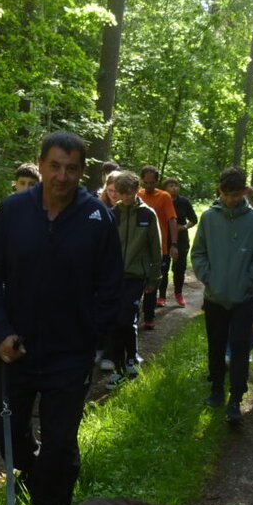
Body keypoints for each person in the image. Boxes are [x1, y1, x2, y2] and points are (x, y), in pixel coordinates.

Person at [0, 130, 122, 505]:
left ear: (81, 172)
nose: (62, 176)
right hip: (16, 349)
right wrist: (1, 331)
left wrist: (91, 337)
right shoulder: (12, 211)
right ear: (40, 164)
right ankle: (32, 470)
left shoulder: (98, 218)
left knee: (60, 441)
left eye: (71, 169)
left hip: (69, 355)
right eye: (54, 166)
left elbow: (111, 287)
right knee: (5, 433)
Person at [191, 168, 253, 425]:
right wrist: (209, 277)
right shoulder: (209, 217)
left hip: (244, 299)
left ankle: (235, 397)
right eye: (226, 195)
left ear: (244, 192)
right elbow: (199, 252)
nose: (231, 200)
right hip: (214, 297)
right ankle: (216, 389)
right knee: (215, 346)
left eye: (236, 195)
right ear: (220, 191)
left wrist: (249, 281)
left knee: (239, 348)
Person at [103, 170, 161, 388]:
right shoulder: (112, 213)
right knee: (115, 321)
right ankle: (118, 367)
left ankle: (131, 359)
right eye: (121, 193)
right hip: (114, 277)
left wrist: (155, 276)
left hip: (136, 276)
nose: (125, 198)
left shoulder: (148, 215)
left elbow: (155, 247)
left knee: (127, 319)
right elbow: (104, 246)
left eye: (129, 193)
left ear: (137, 191)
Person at [137, 166, 178, 324]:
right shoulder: (137, 194)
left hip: (159, 247)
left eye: (152, 183)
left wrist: (173, 244)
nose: (148, 186)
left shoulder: (164, 196)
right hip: (139, 246)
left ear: (157, 181)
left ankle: (149, 317)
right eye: (146, 182)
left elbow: (172, 219)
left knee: (153, 281)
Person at [162, 177, 197, 306]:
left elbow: (194, 219)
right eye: (170, 186)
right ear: (164, 188)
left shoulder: (184, 202)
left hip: (181, 239)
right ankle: (161, 296)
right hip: (164, 238)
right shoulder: (162, 200)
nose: (173, 188)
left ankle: (178, 293)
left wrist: (184, 227)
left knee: (179, 268)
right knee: (163, 268)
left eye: (175, 185)